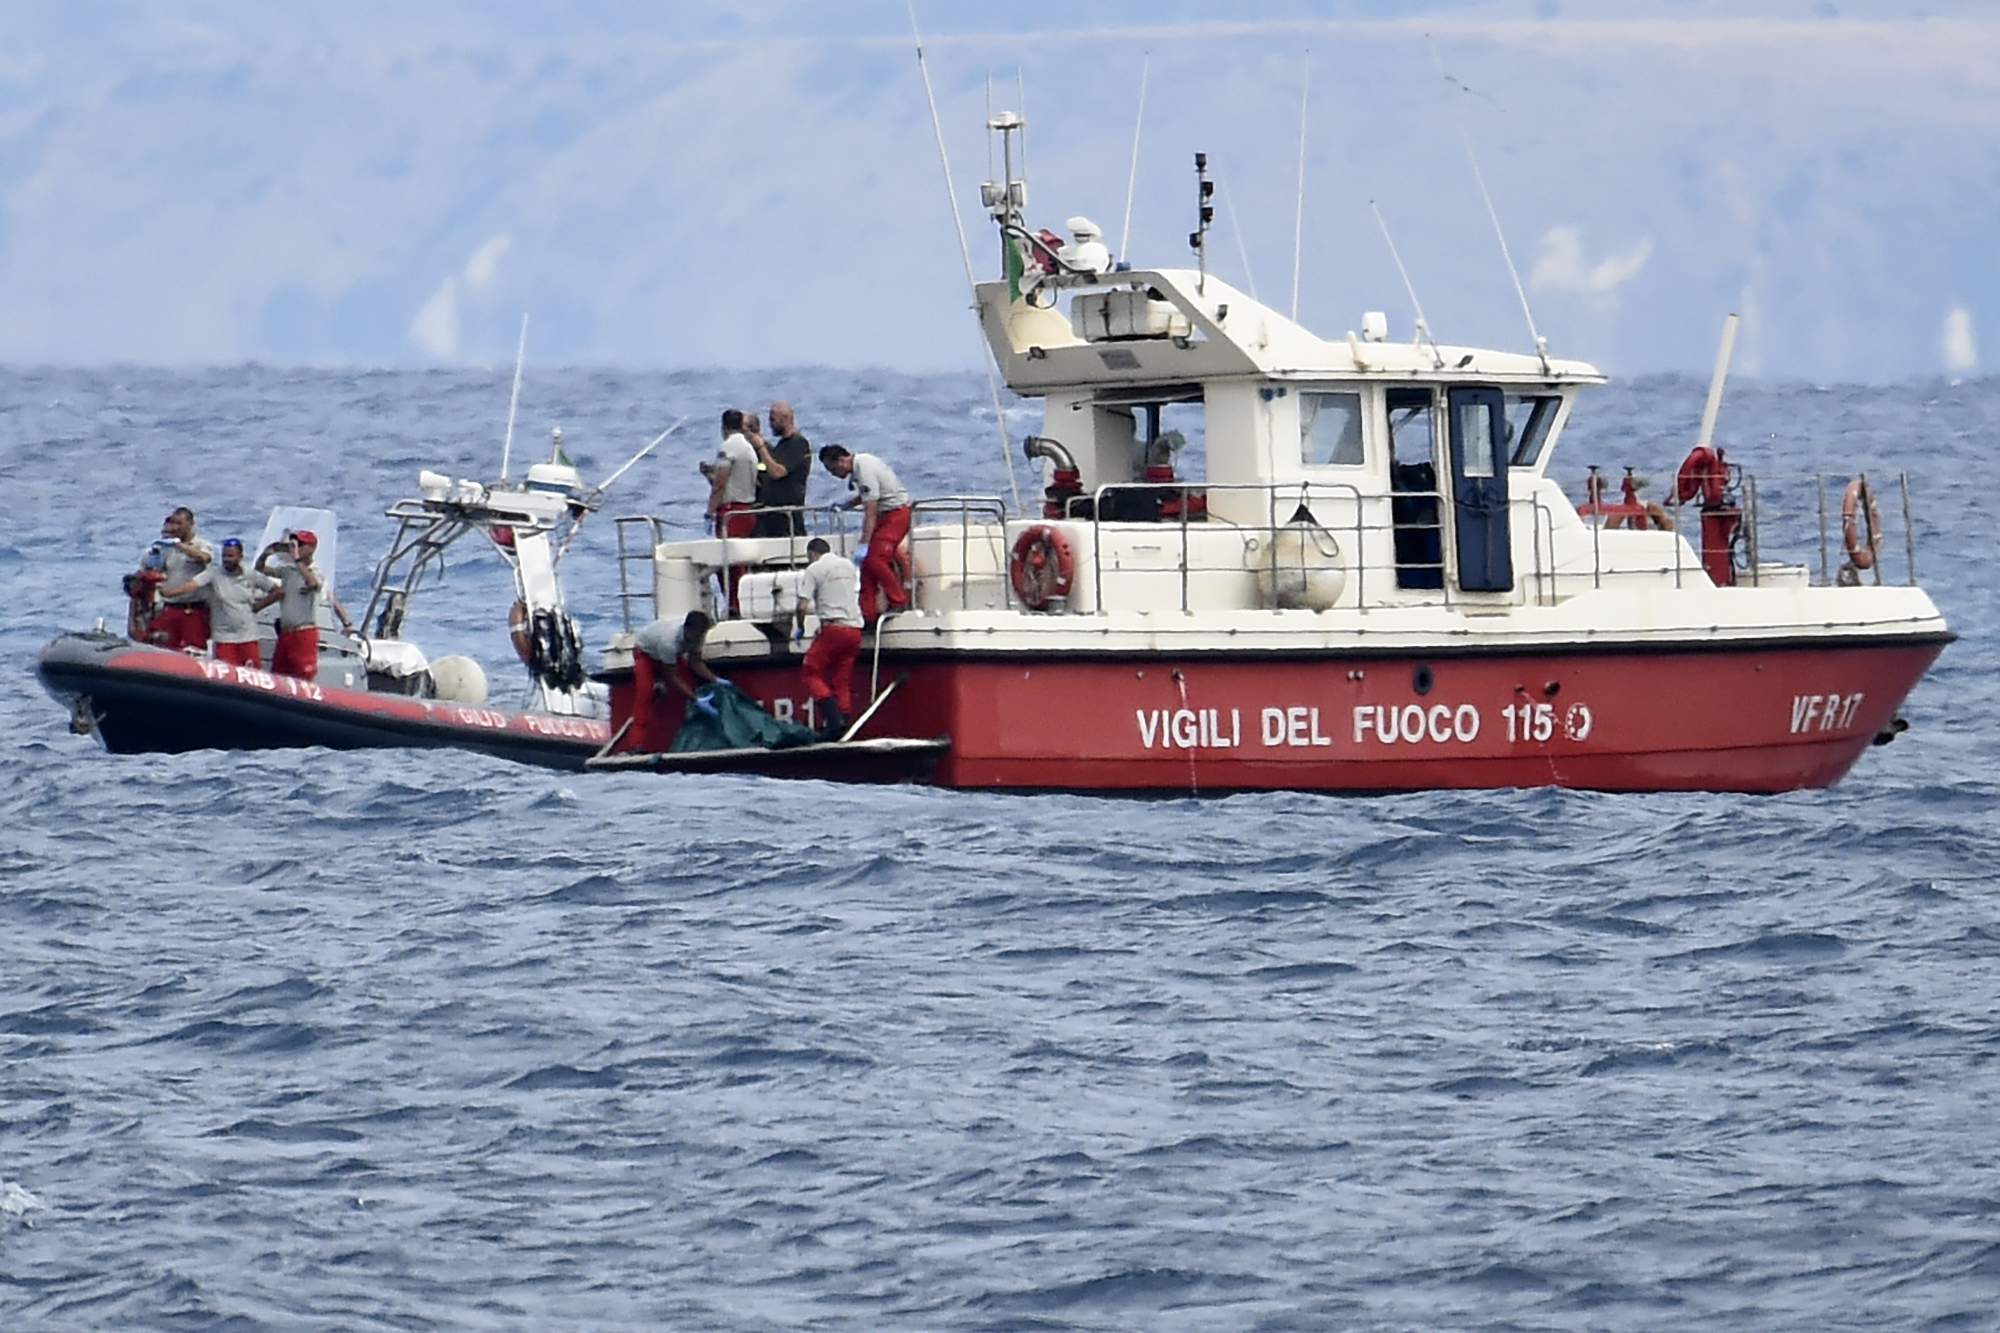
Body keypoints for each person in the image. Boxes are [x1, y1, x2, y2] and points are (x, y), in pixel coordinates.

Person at [820, 443, 912, 625]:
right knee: (867, 568)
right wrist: (848, 504)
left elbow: (870, 511)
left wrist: (865, 543)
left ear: (841, 461)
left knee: (874, 560)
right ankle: (867, 612)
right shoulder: (861, 465)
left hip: (896, 514)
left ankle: (898, 600)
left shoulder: (864, 470)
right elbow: (867, 495)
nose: (834, 475)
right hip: (886, 514)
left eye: (833, 470)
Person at [159, 537, 278, 667]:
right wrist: (167, 592)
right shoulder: (214, 573)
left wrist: (258, 607)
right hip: (223, 638)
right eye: (224, 556)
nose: (227, 559)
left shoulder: (251, 575)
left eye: (231, 556)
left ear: (240, 556)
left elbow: (277, 591)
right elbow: (192, 585)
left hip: (249, 636)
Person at [256, 529, 353, 681]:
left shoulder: (315, 571)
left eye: (300, 544)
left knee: (303, 675)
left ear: (311, 548)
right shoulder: (288, 570)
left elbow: (313, 583)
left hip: (303, 633)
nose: (296, 548)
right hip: (285, 632)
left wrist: (297, 559)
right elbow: (261, 570)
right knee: (279, 675)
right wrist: (266, 554)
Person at [793, 537, 864, 738]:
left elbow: (802, 606)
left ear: (812, 554)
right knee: (842, 679)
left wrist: (800, 627)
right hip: (855, 629)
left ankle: (833, 720)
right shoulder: (848, 566)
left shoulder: (814, 569)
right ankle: (844, 721)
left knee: (810, 671)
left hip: (834, 629)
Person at [631, 610, 722, 738]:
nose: (701, 637)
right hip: (645, 653)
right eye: (699, 634)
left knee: (689, 685)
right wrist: (695, 699)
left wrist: (715, 679)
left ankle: (689, 733)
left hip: (671, 656)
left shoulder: (697, 637)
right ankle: (637, 743)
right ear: (689, 630)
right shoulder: (669, 641)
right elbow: (672, 677)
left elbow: (695, 663)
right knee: (645, 693)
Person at [142, 507, 217, 650]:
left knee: (194, 650)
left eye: (179, 524)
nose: (175, 527)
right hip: (169, 607)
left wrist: (179, 545)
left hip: (193, 609)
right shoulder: (163, 547)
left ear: (190, 524)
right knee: (164, 649)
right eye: (173, 523)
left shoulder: (201, 544)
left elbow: (204, 557)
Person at [752, 399, 813, 538]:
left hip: (787, 517)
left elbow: (778, 472)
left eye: (773, 420)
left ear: (785, 418)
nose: (770, 424)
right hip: (770, 516)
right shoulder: (781, 446)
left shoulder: (798, 444)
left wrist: (761, 447)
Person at [701, 409, 760, 540]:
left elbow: (719, 485)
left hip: (731, 513)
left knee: (729, 555)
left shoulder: (728, 448)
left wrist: (709, 513)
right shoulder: (748, 448)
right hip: (748, 510)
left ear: (724, 427)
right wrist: (709, 472)